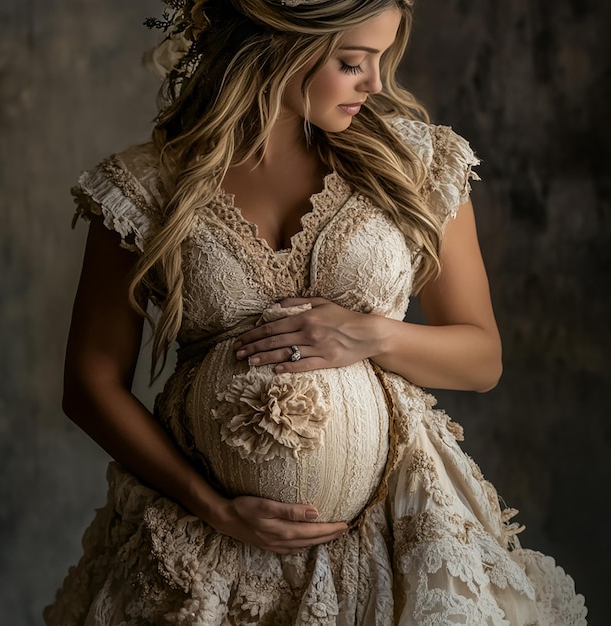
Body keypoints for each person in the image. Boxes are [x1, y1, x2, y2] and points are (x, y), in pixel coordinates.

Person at [44, 0, 587, 623]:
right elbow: (89, 384)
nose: (377, 84)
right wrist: (211, 507)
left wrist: (373, 335)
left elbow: (481, 360)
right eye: (353, 62)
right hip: (208, 545)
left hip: (397, 533)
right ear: (279, 48)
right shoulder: (146, 186)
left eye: (381, 60)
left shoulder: (415, 163)